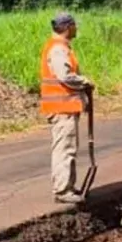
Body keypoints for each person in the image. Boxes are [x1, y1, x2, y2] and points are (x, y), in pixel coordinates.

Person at [40, 12, 94, 204]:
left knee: (68, 148)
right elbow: (65, 76)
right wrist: (84, 81)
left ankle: (68, 186)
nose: (76, 28)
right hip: (62, 107)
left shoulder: (59, 47)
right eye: (74, 25)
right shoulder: (58, 49)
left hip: (64, 107)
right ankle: (63, 189)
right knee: (65, 149)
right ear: (67, 27)